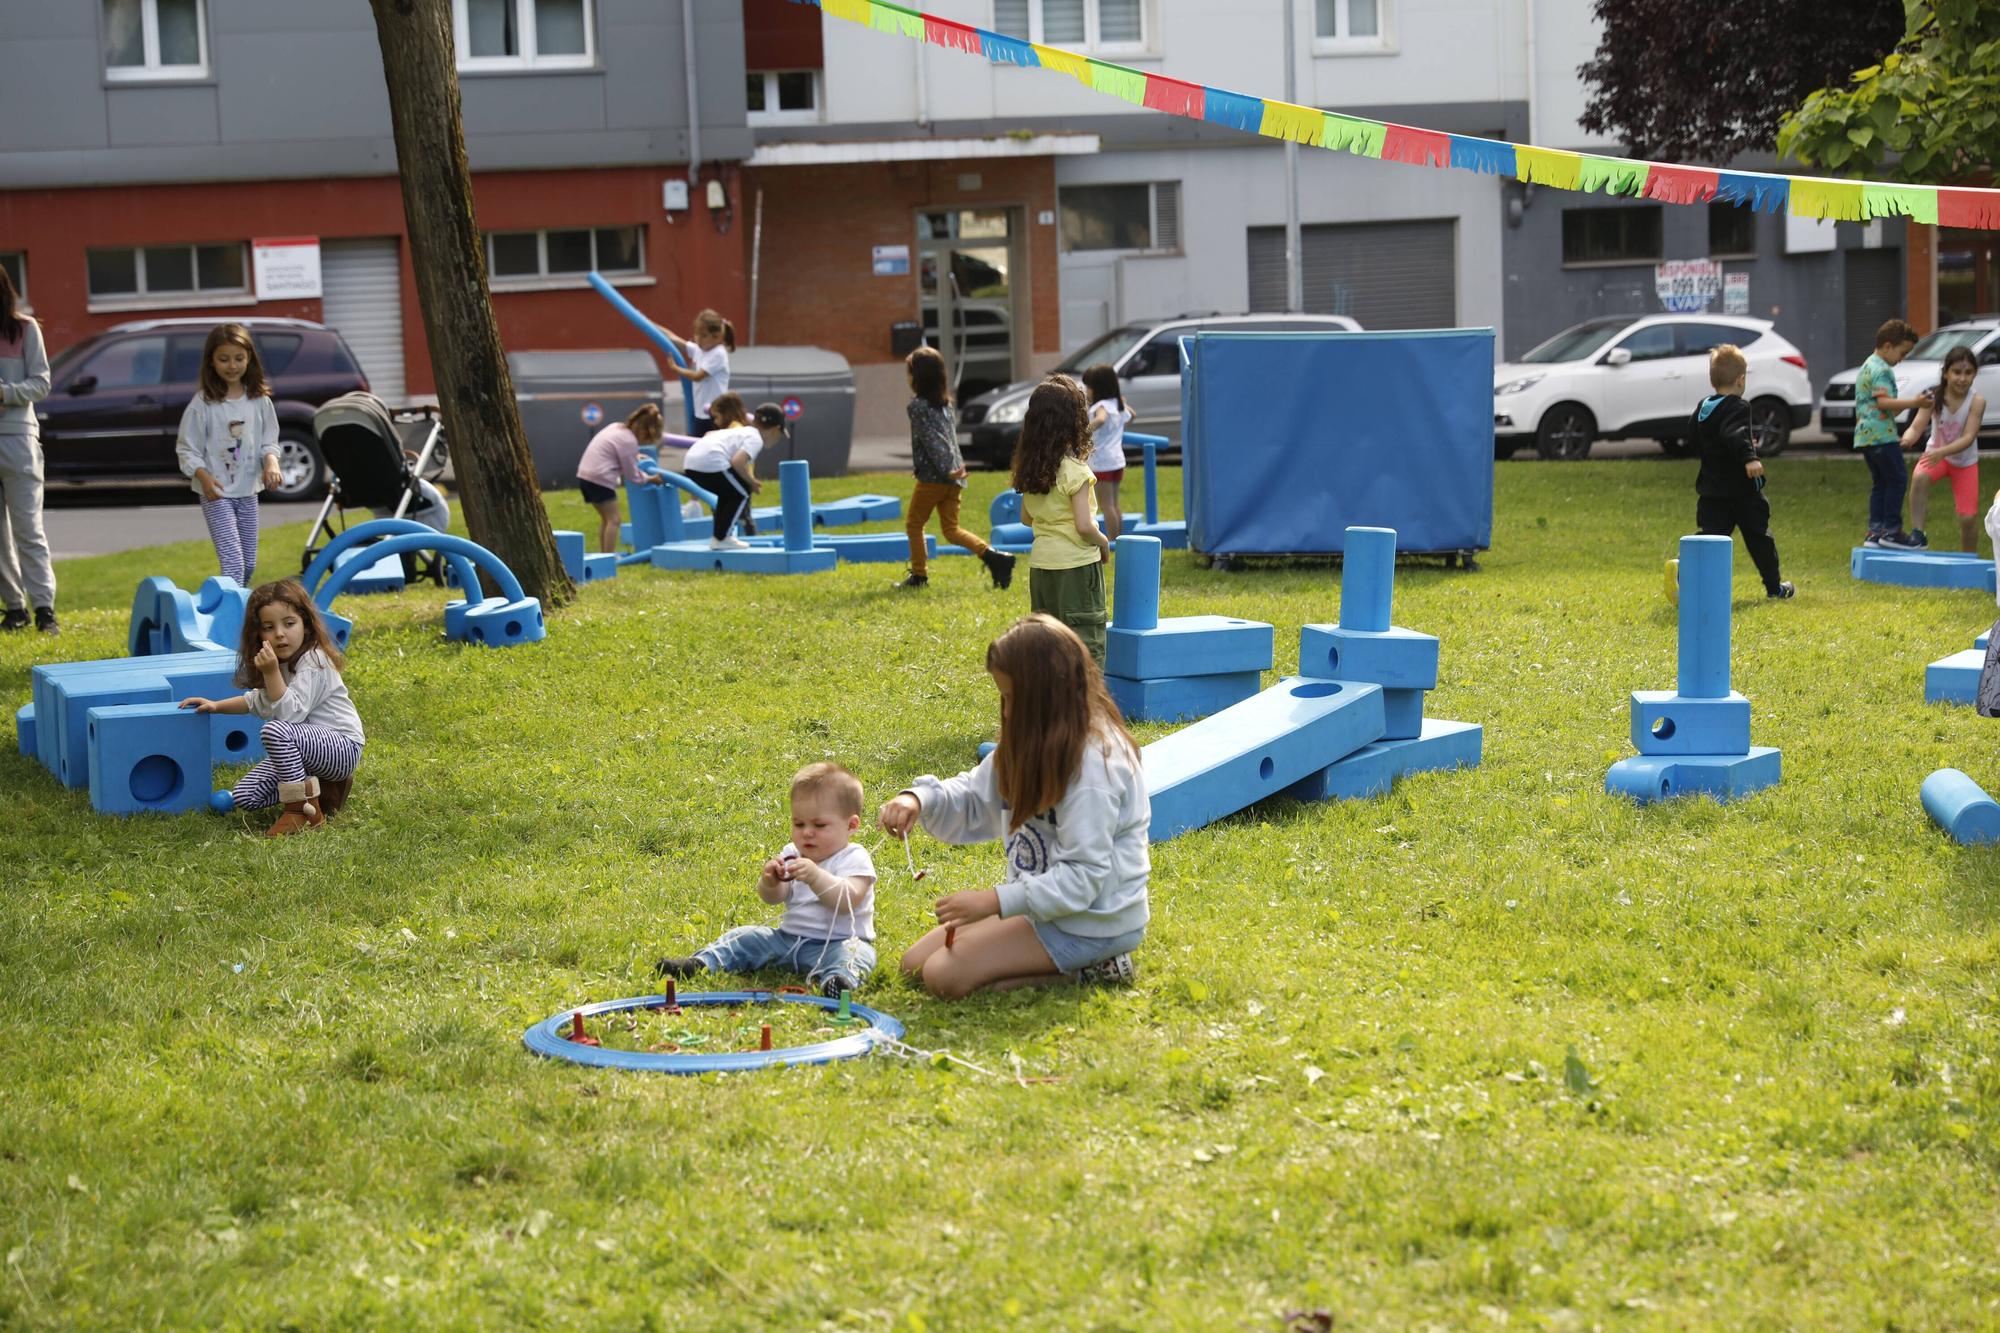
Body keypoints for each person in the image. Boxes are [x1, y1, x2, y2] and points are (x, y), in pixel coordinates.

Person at [880, 614, 1148, 998]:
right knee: (915, 965)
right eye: (1002, 697)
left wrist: (994, 902)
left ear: (1044, 698)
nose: (1005, 711)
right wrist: (919, 799)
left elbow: (1083, 880)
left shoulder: (1095, 767)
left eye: (1011, 698)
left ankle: (1096, 969)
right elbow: (975, 793)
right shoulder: (1033, 737)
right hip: (1043, 910)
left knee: (942, 975)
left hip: (1092, 923)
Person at [655, 762, 879, 997]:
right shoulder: (792, 852)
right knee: (745, 936)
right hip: (787, 941)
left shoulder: (854, 857)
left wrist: (816, 877)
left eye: (819, 825)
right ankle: (701, 963)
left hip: (838, 944)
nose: (807, 832)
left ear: (851, 825)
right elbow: (773, 899)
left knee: (858, 954)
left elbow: (848, 900)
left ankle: (838, 981)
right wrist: (771, 882)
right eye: (798, 824)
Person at [179, 578, 364, 838]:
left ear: (306, 624)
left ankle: (300, 810)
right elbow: (258, 701)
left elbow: (291, 715)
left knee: (275, 730)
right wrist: (216, 705)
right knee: (246, 796)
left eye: (289, 624)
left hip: (342, 747)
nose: (280, 633)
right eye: (269, 627)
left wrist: (272, 672)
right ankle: (323, 788)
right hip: (307, 754)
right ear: (259, 635)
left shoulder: (315, 660)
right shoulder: (282, 665)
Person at [896, 345, 1016, 591]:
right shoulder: (946, 405)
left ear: (917, 377)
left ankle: (919, 576)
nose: (907, 378)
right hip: (954, 476)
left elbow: (934, 440)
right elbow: (948, 439)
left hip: (936, 478)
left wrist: (945, 469)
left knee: (914, 524)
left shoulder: (917, 407)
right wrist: (956, 469)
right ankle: (994, 557)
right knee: (951, 530)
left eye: (909, 372)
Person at [1014, 374, 1111, 665]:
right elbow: (1083, 526)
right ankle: (1085, 708)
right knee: (1084, 643)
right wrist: (1104, 542)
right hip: (1077, 567)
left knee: (1046, 643)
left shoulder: (1030, 470)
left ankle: (1048, 704)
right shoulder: (1075, 472)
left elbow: (1026, 518)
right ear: (1074, 423)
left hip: (1042, 567)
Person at [176, 323, 282, 585]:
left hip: (248, 492)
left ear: (249, 359)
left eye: (239, 358)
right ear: (212, 362)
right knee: (233, 563)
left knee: (248, 565)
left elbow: (269, 441)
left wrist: (271, 463)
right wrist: (204, 477)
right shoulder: (203, 404)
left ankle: (234, 611)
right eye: (224, 359)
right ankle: (231, 620)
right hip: (216, 493)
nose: (232, 366)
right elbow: (187, 448)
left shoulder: (259, 401)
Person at [1690, 345, 1794, 600]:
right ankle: (1774, 588)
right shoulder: (1739, 406)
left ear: (1711, 380)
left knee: (1709, 539)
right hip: (1743, 492)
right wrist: (1749, 457)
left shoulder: (1704, 407)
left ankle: (1685, 568)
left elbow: (1694, 434)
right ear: (1741, 380)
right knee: (1760, 539)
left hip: (1711, 491)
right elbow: (1734, 433)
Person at [0, 265, 55, 634]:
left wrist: (5, 393)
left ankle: (44, 609)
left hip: (17, 439)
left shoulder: (24, 328)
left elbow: (41, 383)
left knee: (28, 530)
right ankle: (14, 608)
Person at [1853, 318, 1929, 549]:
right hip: (1882, 437)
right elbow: (1885, 402)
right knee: (1897, 480)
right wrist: (1915, 402)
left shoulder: (1867, 365)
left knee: (1881, 483)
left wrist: (1901, 405)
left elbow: (1884, 405)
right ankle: (1892, 530)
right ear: (1888, 346)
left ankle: (1875, 531)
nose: (1901, 359)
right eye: (1902, 353)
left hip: (1865, 437)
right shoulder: (1882, 369)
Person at [1903, 346, 1986, 554]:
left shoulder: (1977, 401)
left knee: (1968, 518)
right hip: (1935, 457)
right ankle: (1918, 534)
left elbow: (1968, 438)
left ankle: (1968, 560)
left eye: (1968, 373)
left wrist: (1942, 452)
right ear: (1946, 373)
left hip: (1964, 463)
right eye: (1957, 372)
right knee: (1920, 478)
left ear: (1975, 374)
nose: (1962, 378)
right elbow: (1916, 426)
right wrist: (1906, 439)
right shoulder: (1933, 396)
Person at [681, 394, 788, 551]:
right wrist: (751, 482)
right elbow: (737, 462)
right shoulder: (755, 438)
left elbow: (709, 436)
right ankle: (723, 537)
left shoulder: (742, 431)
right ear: (775, 429)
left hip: (691, 463)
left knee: (728, 494)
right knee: (741, 493)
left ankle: (719, 537)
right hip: (710, 462)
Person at [576, 404, 682, 553]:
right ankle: (609, 557)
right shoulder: (629, 441)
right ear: (646, 432)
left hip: (585, 477)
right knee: (614, 520)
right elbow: (632, 475)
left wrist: (635, 455)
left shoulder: (617, 428)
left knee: (607, 519)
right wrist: (651, 479)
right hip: (600, 480)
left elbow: (617, 451)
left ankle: (604, 555)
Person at [656, 308, 734, 434]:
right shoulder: (700, 349)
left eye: (703, 336)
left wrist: (676, 369)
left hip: (715, 414)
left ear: (717, 337)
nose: (698, 339)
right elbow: (674, 339)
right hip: (701, 412)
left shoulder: (718, 353)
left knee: (711, 448)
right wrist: (653, 326)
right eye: (697, 334)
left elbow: (698, 376)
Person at [1082, 362, 1134, 544]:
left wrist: (1083, 430)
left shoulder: (1102, 405)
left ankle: (1112, 541)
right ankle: (1119, 538)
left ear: (1099, 388)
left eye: (1089, 387)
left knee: (1106, 505)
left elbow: (1101, 419)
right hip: (1117, 460)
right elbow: (1132, 415)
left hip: (1101, 461)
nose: (1087, 391)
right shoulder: (1118, 404)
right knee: (1114, 504)